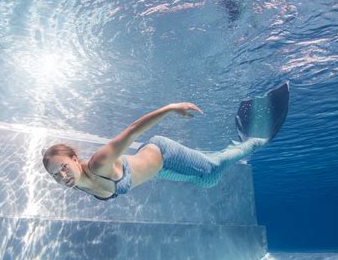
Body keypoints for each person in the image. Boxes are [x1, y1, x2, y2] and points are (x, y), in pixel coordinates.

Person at [42, 83, 289, 201]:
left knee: (212, 172)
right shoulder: (76, 183)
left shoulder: (99, 164)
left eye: (63, 167)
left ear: (75, 159)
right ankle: (229, 148)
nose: (62, 176)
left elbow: (131, 131)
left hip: (163, 153)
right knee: (206, 182)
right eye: (55, 175)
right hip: (157, 170)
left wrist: (171, 108)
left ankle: (256, 141)